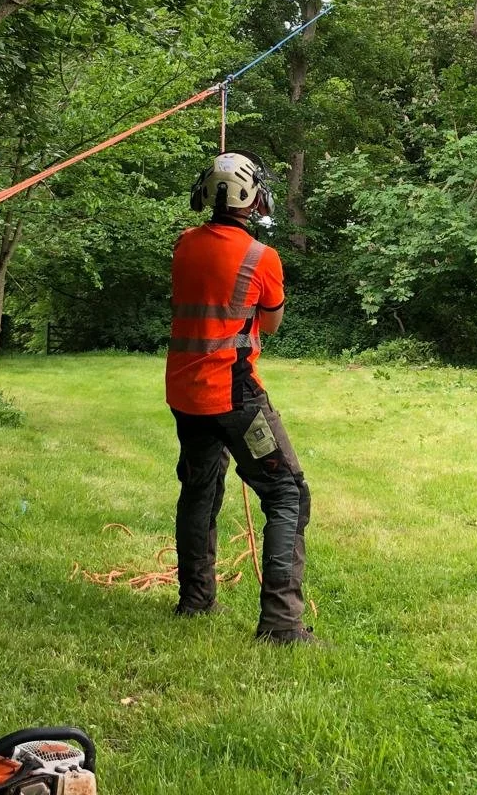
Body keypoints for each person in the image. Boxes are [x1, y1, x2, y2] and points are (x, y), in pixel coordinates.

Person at [164, 150, 316, 644]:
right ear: (252, 199)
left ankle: (195, 599)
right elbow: (269, 322)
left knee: (199, 491)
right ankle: (281, 624)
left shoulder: (184, 244)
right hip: (235, 397)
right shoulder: (261, 257)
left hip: (186, 394)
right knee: (287, 493)